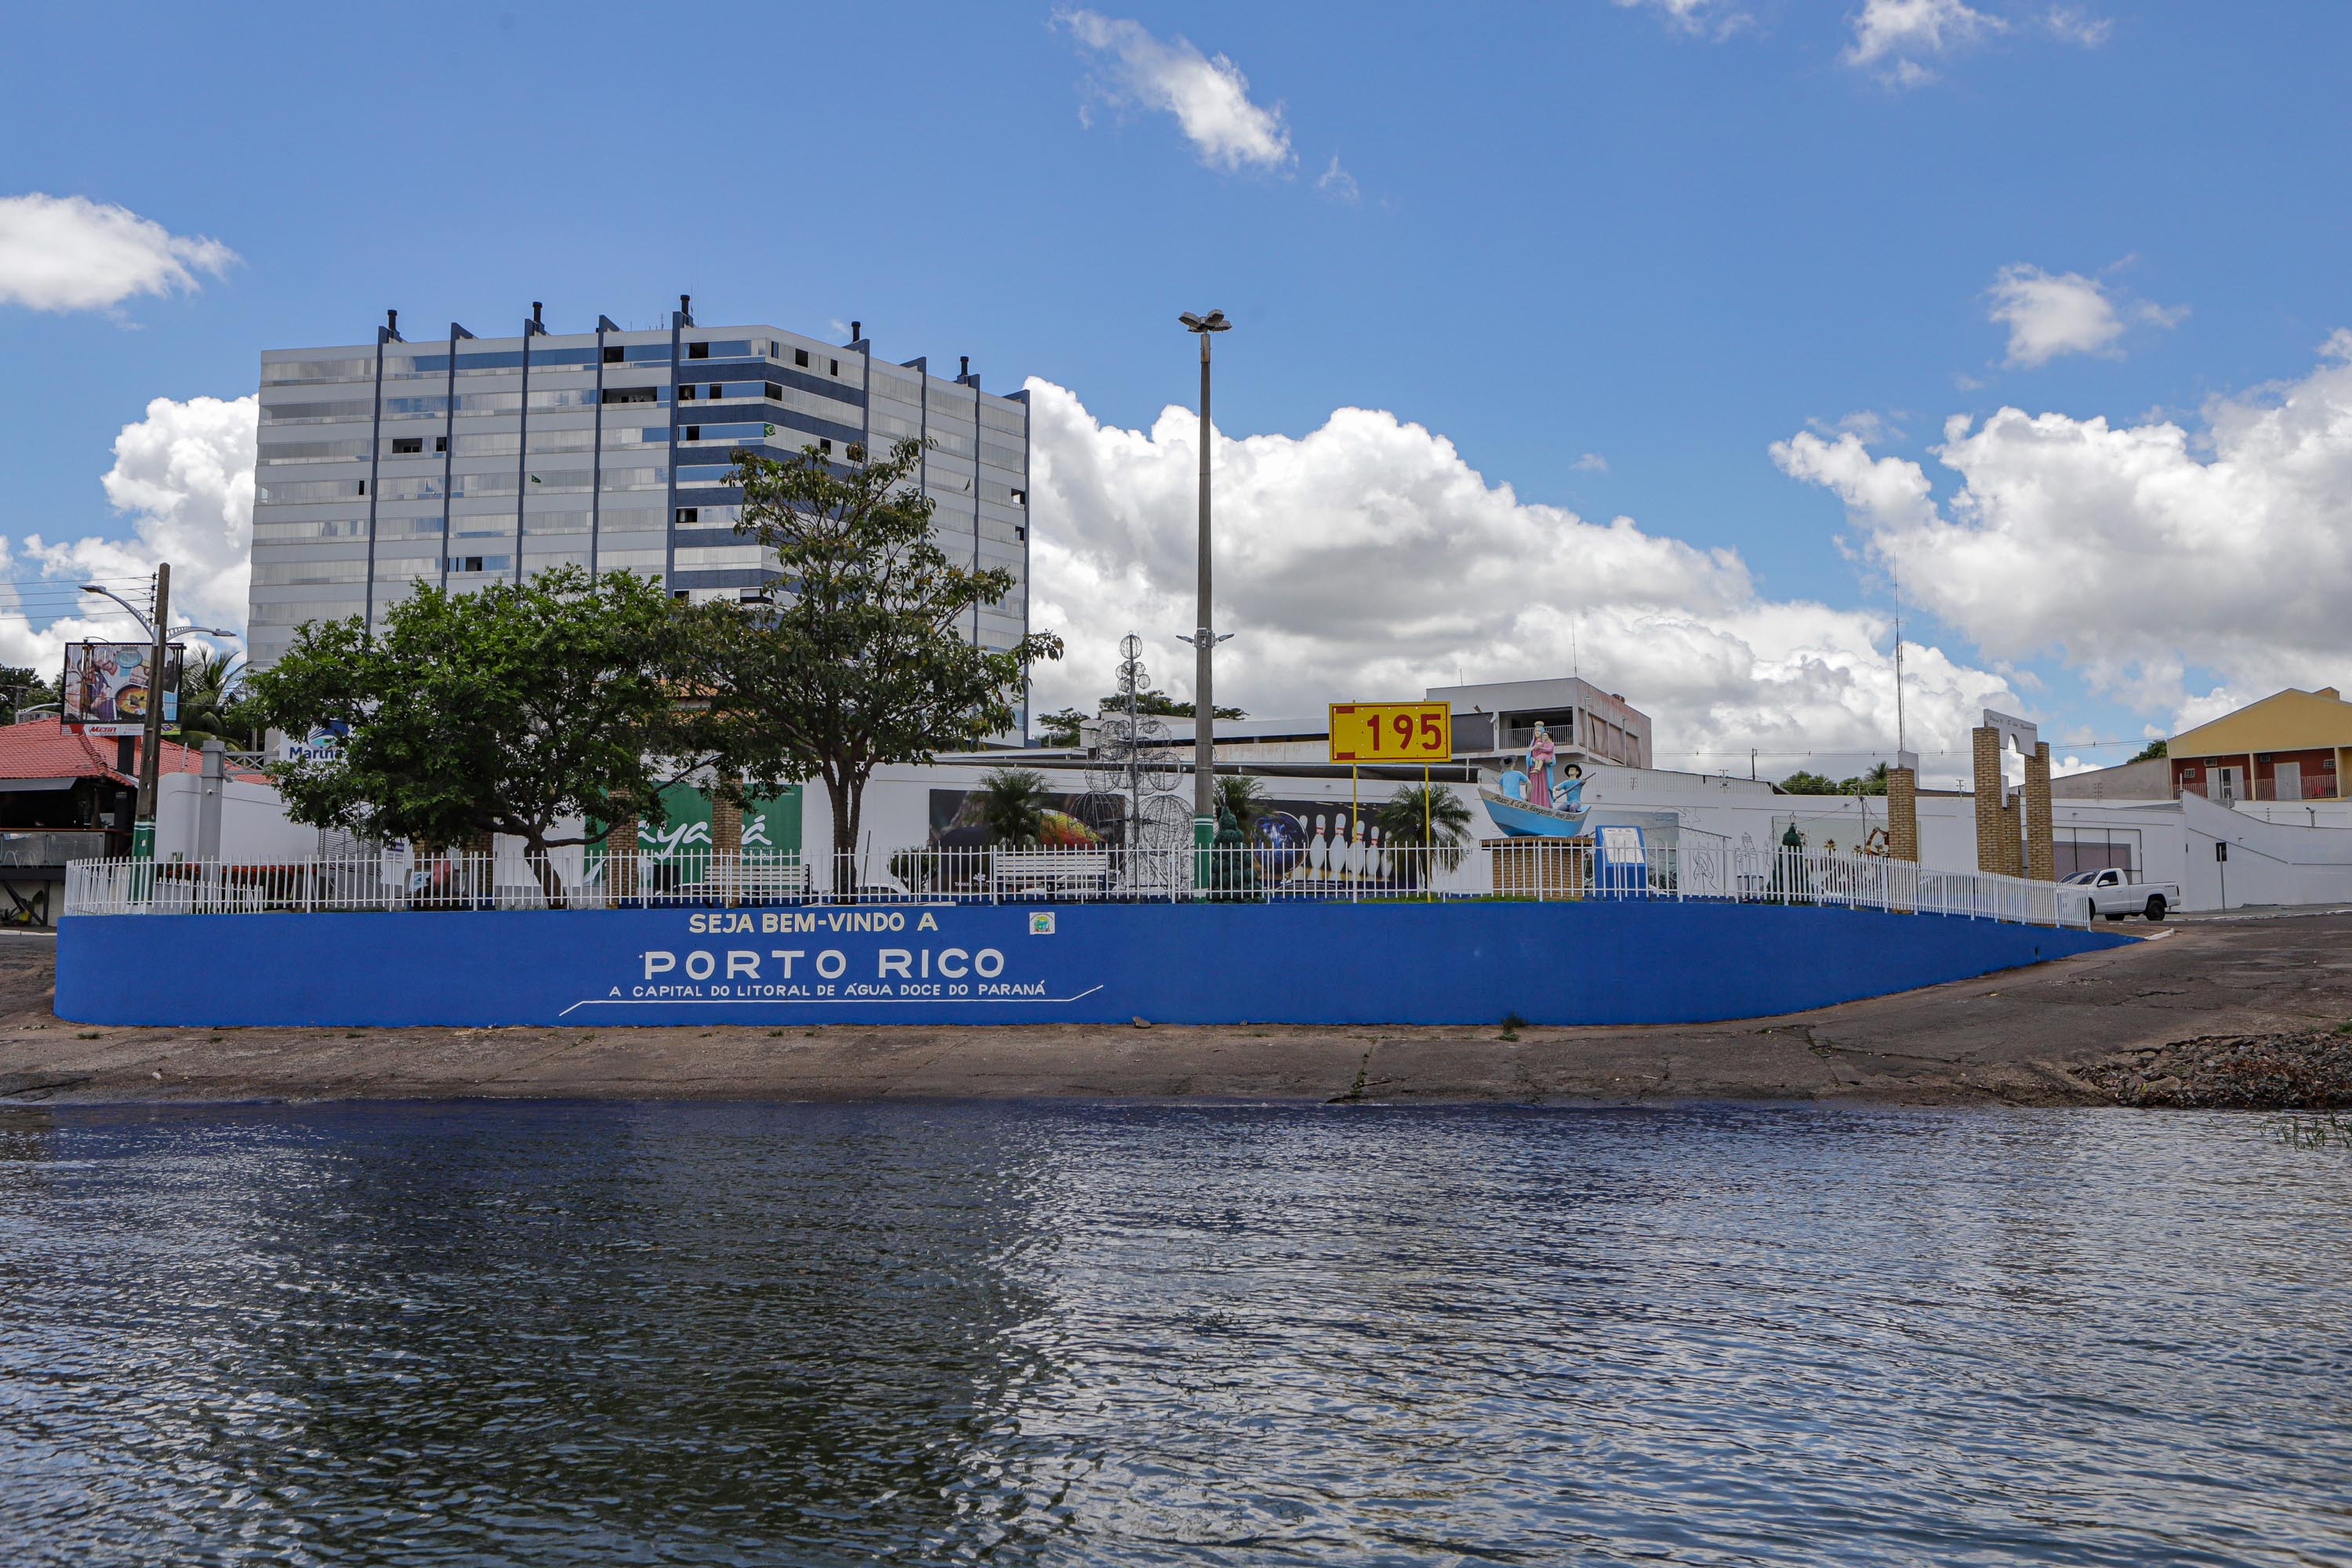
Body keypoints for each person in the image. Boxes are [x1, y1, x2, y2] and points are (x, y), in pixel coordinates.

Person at [1526, 721, 1557, 810]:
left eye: (1539, 731)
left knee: (1543, 787)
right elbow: (1529, 757)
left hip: (1543, 771)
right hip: (1534, 767)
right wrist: (1532, 759)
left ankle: (1544, 806)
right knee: (1534, 786)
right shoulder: (1533, 743)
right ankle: (1533, 805)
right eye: (1535, 731)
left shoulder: (1546, 743)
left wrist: (1547, 760)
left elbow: (1552, 759)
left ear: (1543, 733)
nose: (1537, 733)